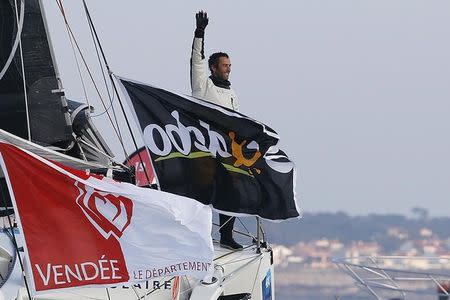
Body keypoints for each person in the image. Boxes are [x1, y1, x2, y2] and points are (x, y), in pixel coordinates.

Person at [190, 11, 242, 250]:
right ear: (213, 68)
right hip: (204, 150)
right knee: (202, 196)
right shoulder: (203, 84)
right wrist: (200, 33)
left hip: (227, 151)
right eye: (224, 66)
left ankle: (227, 237)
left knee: (230, 193)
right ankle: (197, 238)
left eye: (230, 66)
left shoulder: (231, 92)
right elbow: (196, 60)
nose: (228, 69)